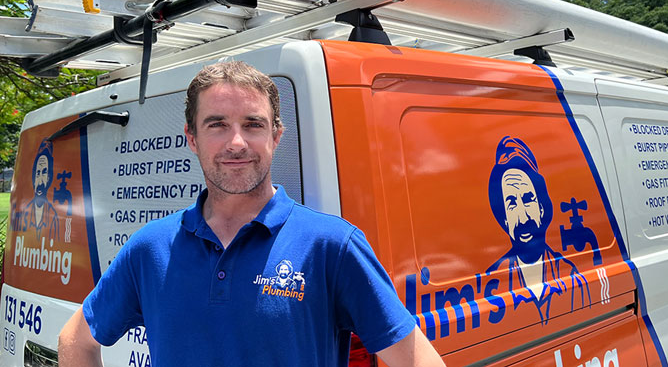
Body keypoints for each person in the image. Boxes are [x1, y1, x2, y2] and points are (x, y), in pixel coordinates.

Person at [59, 61, 444, 366]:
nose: (237, 142)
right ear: (192, 138)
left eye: (253, 124)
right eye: (218, 125)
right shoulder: (151, 248)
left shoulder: (332, 246)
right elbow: (75, 340)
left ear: (276, 135)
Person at [484, 136, 590, 324]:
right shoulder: (492, 285)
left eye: (528, 200)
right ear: (504, 219)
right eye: (512, 204)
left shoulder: (570, 274)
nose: (523, 217)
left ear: (541, 207)